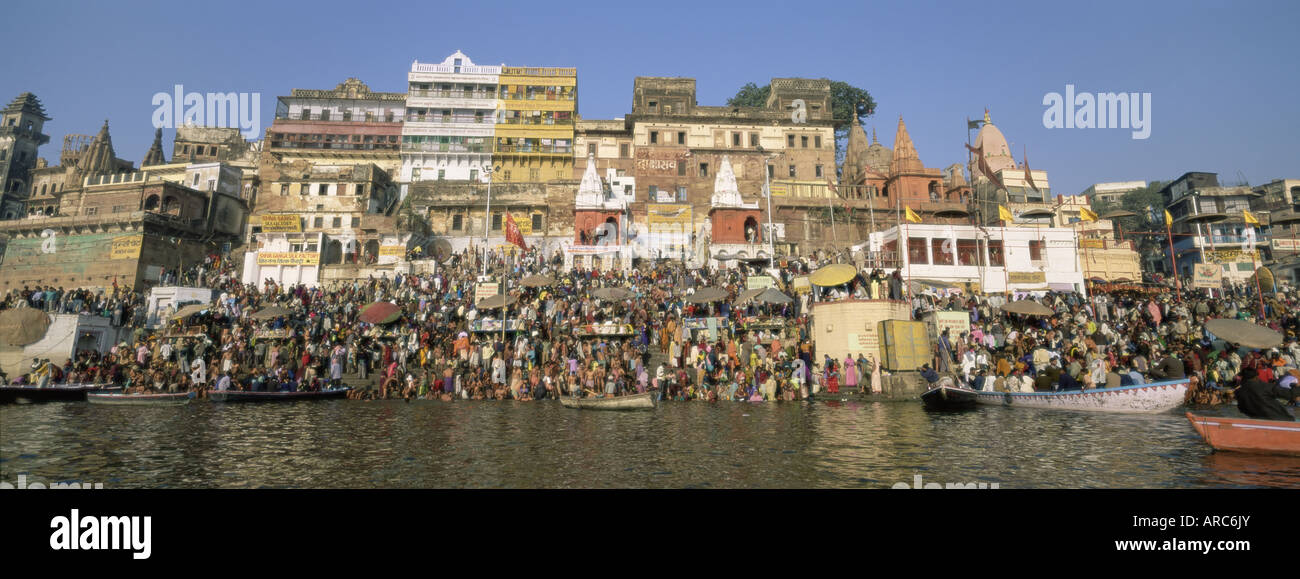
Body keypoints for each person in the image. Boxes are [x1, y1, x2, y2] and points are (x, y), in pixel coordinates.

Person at [1234, 367, 1299, 421]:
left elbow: (1242, 409)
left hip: (1257, 420)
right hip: (1280, 419)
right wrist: (1295, 387)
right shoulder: (1265, 386)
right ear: (1256, 377)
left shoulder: (1238, 392)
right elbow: (1290, 394)